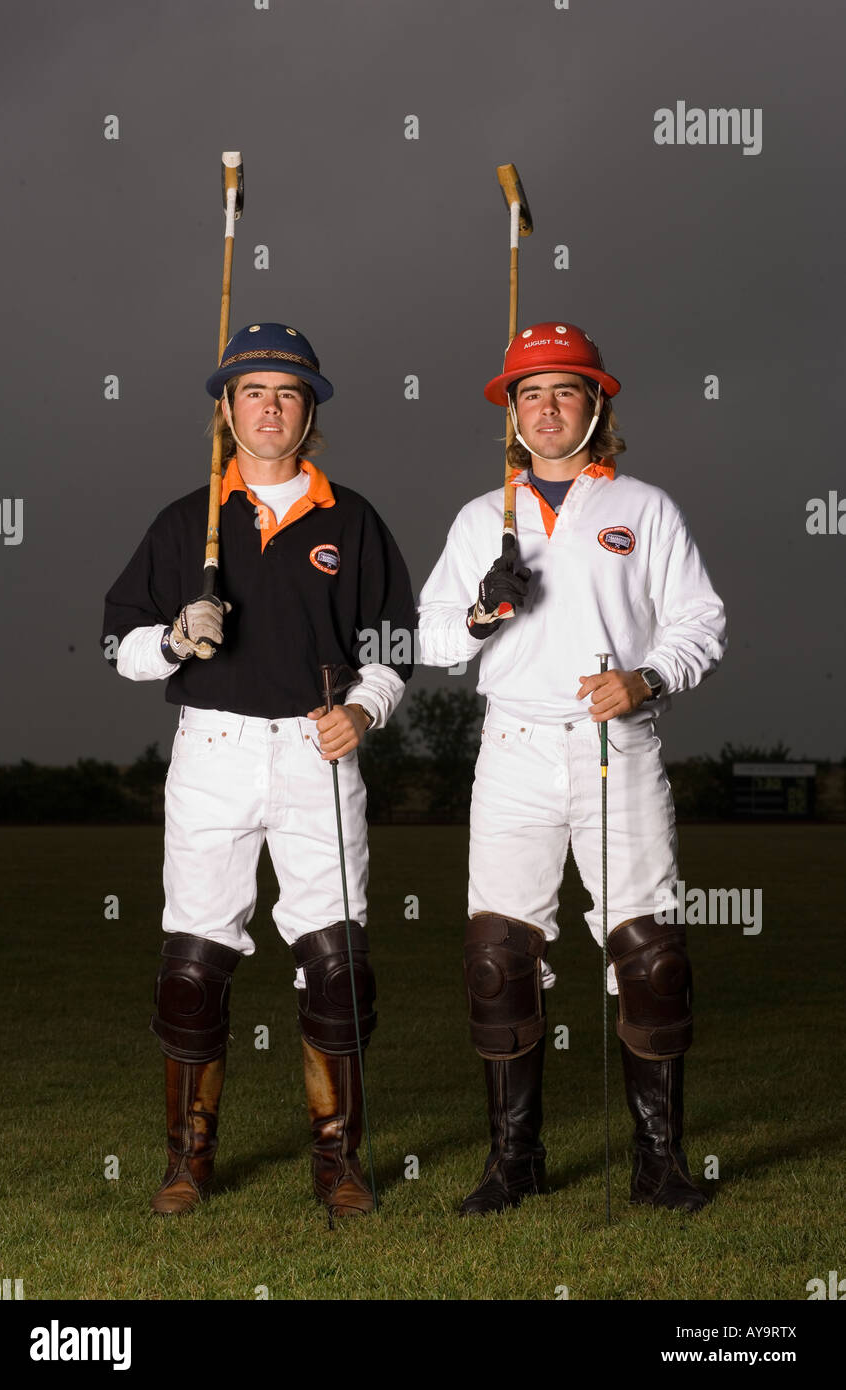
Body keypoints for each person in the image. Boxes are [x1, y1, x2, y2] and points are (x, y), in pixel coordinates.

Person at [101, 322, 416, 1221]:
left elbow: (395, 643)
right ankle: (188, 1160)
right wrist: (171, 639)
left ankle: (338, 1159)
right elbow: (115, 644)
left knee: (337, 961)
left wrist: (366, 709)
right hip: (215, 749)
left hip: (318, 749)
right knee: (195, 962)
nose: (268, 407)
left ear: (309, 408)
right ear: (226, 411)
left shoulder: (350, 519)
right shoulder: (184, 520)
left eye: (286, 392)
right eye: (251, 392)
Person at [417, 321, 727, 1216]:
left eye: (566, 390)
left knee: (652, 955)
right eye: (530, 393)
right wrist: (484, 611)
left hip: (615, 748)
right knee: (498, 957)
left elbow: (698, 622)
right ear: (511, 413)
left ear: (597, 403)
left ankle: (658, 1161)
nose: (547, 408)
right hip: (513, 748)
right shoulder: (485, 518)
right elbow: (431, 640)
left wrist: (647, 677)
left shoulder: (645, 508)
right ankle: (516, 1161)